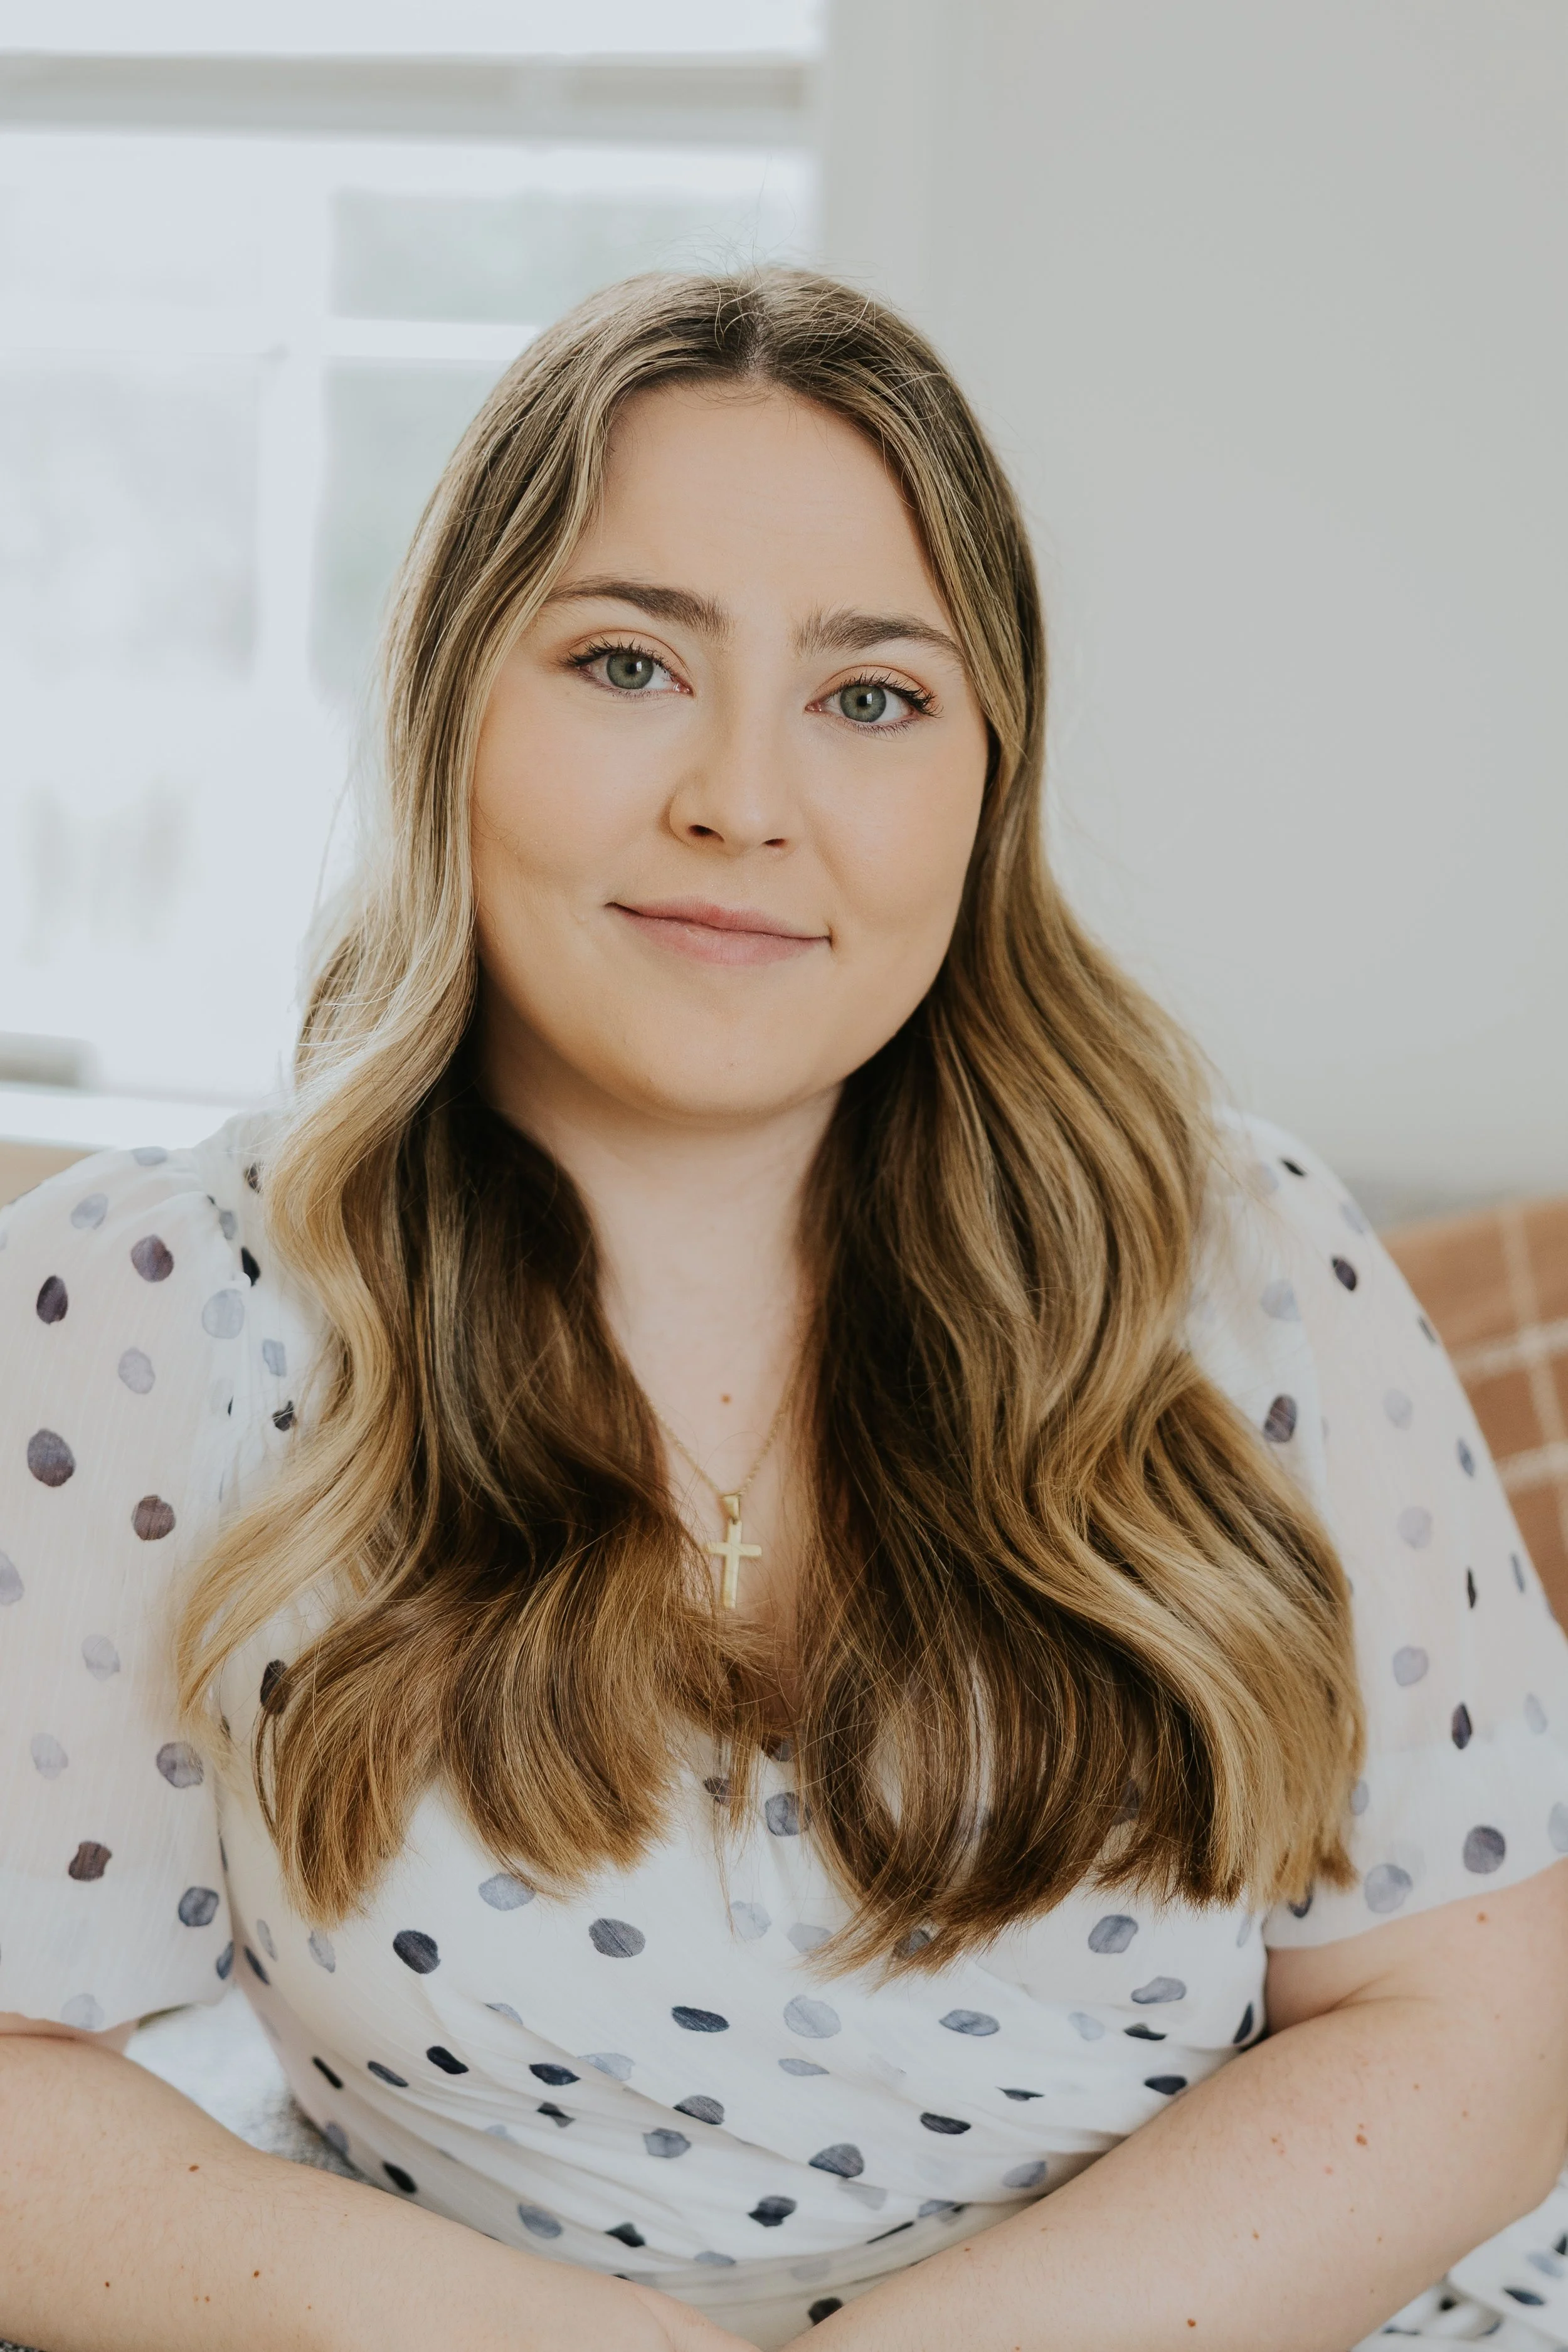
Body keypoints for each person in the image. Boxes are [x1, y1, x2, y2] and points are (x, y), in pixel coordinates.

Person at [3, 268, 1567, 2352]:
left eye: (869, 696)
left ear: (982, 777)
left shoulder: (1246, 1265)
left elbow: (1473, 2018)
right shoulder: (147, 1307)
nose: (743, 800)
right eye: (629, 660)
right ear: (449, 697)